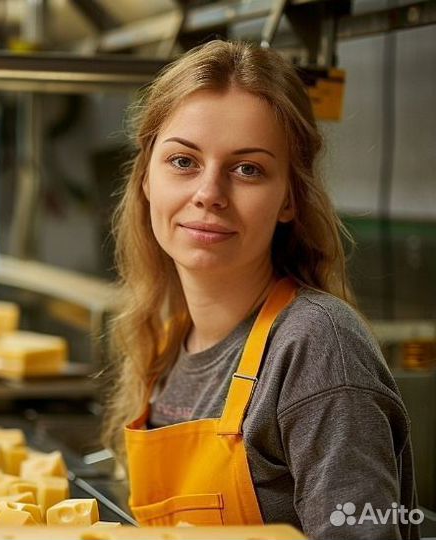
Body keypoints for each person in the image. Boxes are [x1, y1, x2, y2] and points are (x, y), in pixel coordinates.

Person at [104, 40, 418, 540]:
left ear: (290, 198)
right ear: (146, 179)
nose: (209, 193)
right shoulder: (166, 341)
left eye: (247, 169)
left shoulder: (315, 346)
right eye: (183, 161)